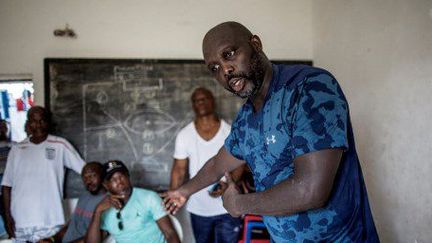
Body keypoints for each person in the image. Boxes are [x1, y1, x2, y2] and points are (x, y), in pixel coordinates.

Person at [162, 21, 380, 242]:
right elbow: (217, 165)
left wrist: (238, 204)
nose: (225, 70)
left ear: (255, 44)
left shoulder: (308, 87)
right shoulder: (246, 119)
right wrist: (183, 192)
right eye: (215, 68)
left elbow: (310, 191)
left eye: (229, 54)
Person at [1, 106, 85, 242]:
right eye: (34, 121)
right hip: (20, 222)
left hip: (49, 221)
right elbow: (6, 186)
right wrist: (8, 217)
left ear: (48, 123)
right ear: (28, 123)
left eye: (42, 121)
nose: (38, 125)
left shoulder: (60, 145)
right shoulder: (17, 149)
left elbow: (85, 171)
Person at [170, 87, 243, 243]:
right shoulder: (185, 135)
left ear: (213, 102)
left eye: (204, 99)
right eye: (196, 100)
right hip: (198, 208)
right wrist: (172, 199)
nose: (200, 103)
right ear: (192, 105)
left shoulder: (230, 131)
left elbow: (239, 164)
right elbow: (179, 170)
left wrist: (227, 184)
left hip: (228, 207)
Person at [86, 160, 180, 243]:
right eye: (113, 179)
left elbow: (170, 234)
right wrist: (97, 212)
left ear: (128, 176)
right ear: (106, 185)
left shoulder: (149, 197)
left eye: (121, 176)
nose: (119, 182)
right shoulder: (104, 209)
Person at [46, 162, 106, 243]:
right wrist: (52, 239)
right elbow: (72, 224)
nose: (88, 181)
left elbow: (99, 236)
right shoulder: (84, 196)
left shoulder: (108, 201)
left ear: (102, 175)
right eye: (85, 178)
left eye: (92, 176)